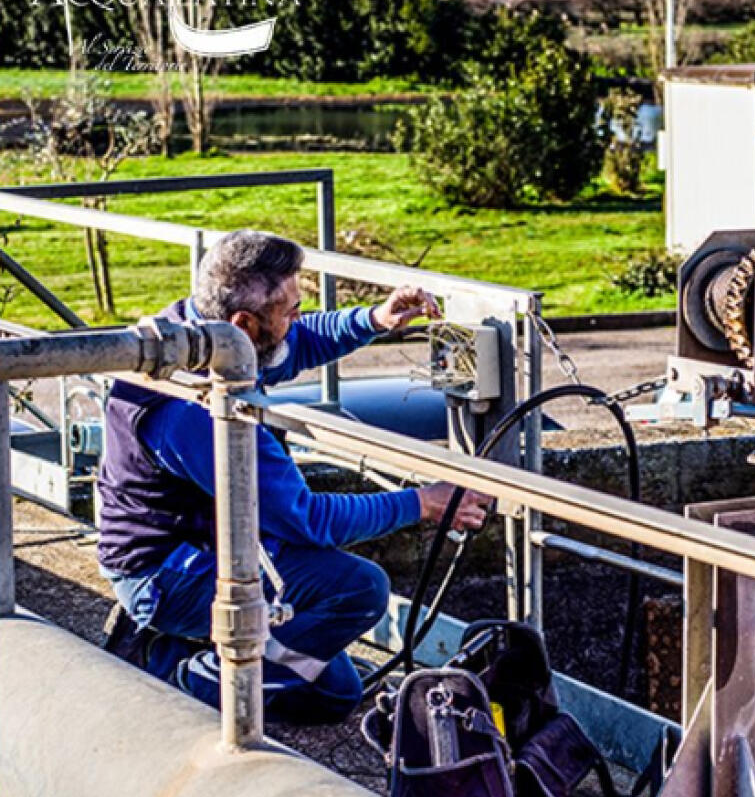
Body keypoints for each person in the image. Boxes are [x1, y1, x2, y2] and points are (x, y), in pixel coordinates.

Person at [96, 229, 491, 724]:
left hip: (198, 544)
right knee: (358, 589)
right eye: (290, 311)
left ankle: (166, 650)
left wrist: (373, 319)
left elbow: (293, 344)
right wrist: (424, 503)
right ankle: (195, 679)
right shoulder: (193, 406)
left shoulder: (199, 331)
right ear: (244, 324)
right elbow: (305, 519)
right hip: (164, 573)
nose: (299, 319)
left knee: (336, 695)